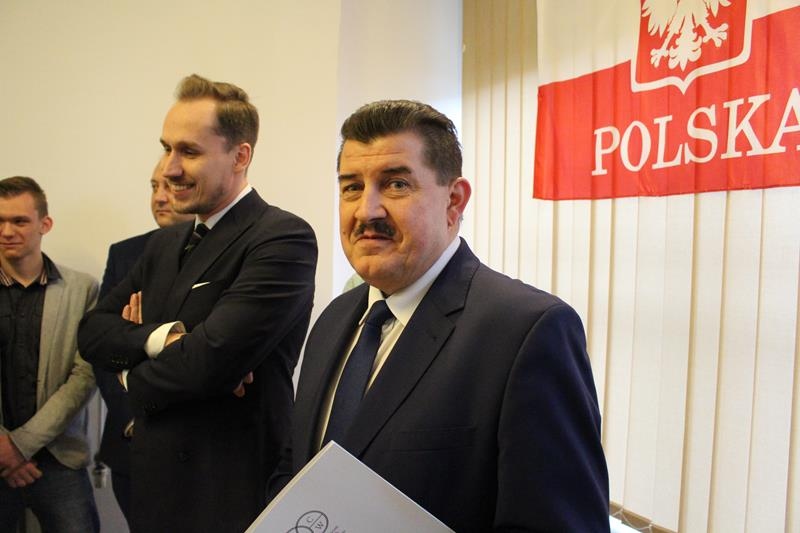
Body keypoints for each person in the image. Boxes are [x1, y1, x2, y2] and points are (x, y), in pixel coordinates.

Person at [269, 100, 610, 532]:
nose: (366, 211)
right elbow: (296, 467)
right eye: (352, 187)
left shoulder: (527, 332)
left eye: (396, 184)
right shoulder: (334, 320)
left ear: (454, 200)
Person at [78, 74, 317, 533]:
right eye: (166, 148)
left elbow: (208, 363)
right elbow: (92, 332)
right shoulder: (165, 243)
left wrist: (127, 370)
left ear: (240, 156)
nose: (169, 168)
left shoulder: (281, 237)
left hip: (226, 487)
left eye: (188, 152)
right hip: (154, 482)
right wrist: (165, 339)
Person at [92, 162, 194, 523]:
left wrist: (137, 338)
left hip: (199, 445)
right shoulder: (125, 254)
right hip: (130, 439)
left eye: (170, 186)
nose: (160, 197)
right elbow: (103, 346)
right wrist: (133, 414)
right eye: (153, 187)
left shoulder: (231, 254)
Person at [0, 176, 100, 532]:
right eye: (0, 221)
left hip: (59, 457)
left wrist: (19, 446)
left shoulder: (82, 289)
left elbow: (85, 374)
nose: (7, 231)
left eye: (19, 221)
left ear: (45, 224)